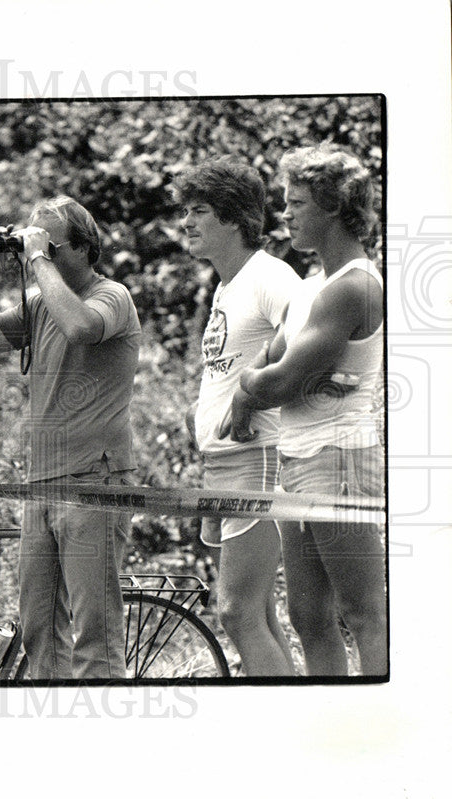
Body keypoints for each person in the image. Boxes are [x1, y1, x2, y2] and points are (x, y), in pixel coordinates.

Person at [0, 196, 140, 680]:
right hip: (42, 483)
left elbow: (79, 327)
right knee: (38, 630)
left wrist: (35, 259)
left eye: (51, 247)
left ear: (83, 248)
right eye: (34, 245)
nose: (39, 257)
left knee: (94, 631)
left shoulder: (112, 296)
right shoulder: (37, 306)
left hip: (95, 480)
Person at [220, 144, 385, 676]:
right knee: (308, 616)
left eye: (297, 204)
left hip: (339, 459)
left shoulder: (353, 286)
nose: (284, 215)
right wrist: (262, 384)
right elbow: (262, 372)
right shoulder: (309, 287)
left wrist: (260, 387)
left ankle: (375, 726)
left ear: (335, 207)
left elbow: (276, 381)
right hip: (298, 461)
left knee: (362, 614)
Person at [175, 157, 298, 676]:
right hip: (222, 460)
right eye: (185, 210)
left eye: (198, 210)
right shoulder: (228, 285)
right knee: (258, 611)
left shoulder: (269, 275)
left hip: (259, 455)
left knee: (235, 611)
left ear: (234, 218)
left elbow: (306, 332)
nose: (186, 223)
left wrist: (249, 395)